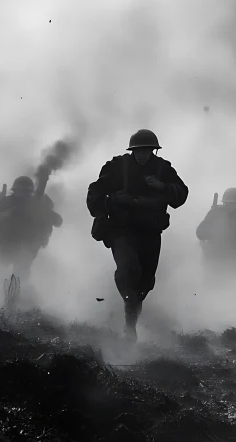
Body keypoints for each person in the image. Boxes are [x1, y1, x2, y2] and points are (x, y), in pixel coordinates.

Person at [86, 129, 189, 341]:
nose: (142, 154)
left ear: (154, 151)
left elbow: (181, 194)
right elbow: (95, 193)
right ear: (132, 150)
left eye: (147, 150)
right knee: (128, 270)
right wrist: (110, 203)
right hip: (122, 230)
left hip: (150, 231)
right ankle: (129, 323)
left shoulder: (163, 169)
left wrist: (163, 187)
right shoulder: (117, 167)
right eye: (138, 150)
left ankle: (131, 314)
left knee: (146, 281)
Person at [0, 175, 63, 284]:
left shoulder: (37, 204)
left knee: (19, 279)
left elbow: (58, 221)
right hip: (3, 244)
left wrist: (44, 212)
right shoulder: (5, 202)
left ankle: (17, 297)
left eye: (25, 193)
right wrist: (6, 214)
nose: (22, 196)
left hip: (25, 248)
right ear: (14, 191)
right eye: (20, 192)